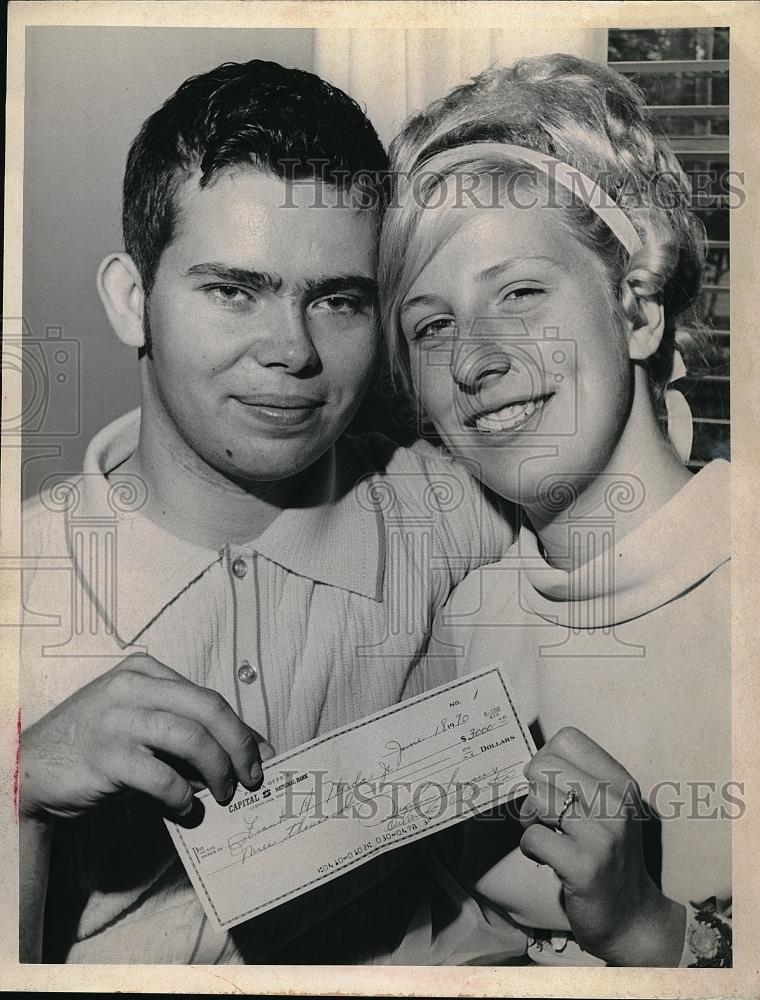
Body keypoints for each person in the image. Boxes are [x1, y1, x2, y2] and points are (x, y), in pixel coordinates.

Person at [19, 59, 521, 965]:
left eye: (336, 301)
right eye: (232, 291)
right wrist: (18, 789)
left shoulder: (456, 506)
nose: (291, 350)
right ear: (133, 302)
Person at [379, 53, 732, 967]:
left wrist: (652, 932)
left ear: (640, 310)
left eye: (520, 294)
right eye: (432, 326)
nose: (473, 362)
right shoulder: (456, 627)